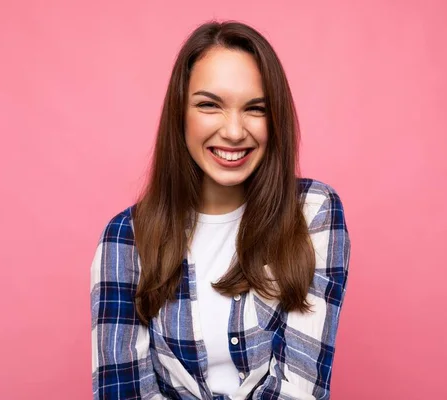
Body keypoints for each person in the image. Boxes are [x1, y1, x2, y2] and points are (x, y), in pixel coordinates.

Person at [90, 20, 351, 400]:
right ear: (181, 113)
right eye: (209, 105)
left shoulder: (312, 213)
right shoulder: (125, 240)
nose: (233, 131)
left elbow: (300, 388)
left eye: (255, 108)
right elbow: (123, 391)